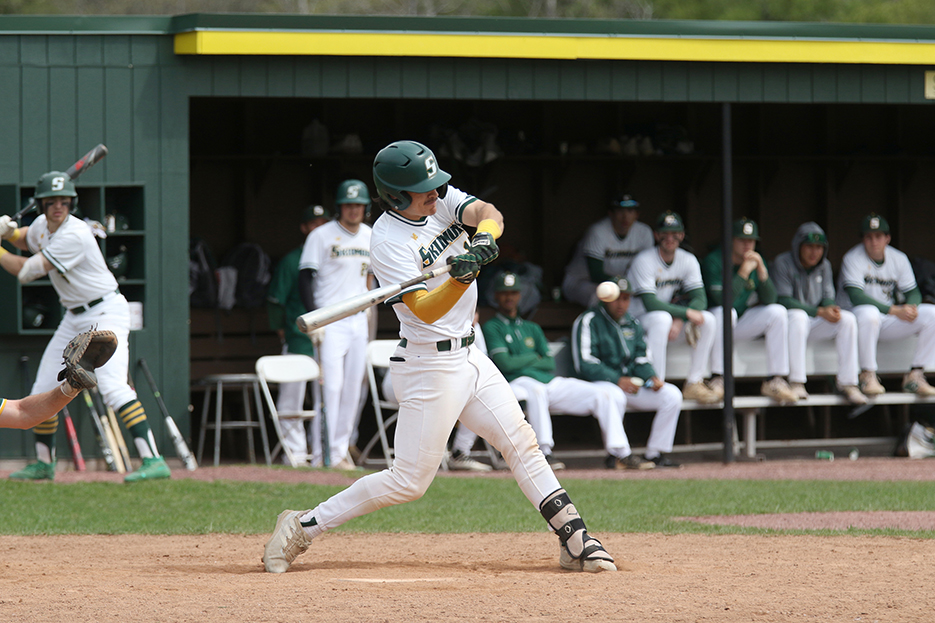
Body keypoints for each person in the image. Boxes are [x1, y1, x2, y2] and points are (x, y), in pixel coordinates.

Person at [262, 140, 616, 575]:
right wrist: (461, 276)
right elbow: (426, 310)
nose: (434, 193)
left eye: (435, 185)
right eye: (423, 189)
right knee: (408, 482)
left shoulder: (440, 199)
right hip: (430, 365)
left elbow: (490, 213)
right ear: (395, 195)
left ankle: (575, 536)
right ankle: (302, 525)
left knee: (520, 440)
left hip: (471, 352)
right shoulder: (387, 242)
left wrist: (483, 239)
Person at [0, 172, 170, 482]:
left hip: (105, 310)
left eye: (64, 202)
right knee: (43, 387)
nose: (58, 207)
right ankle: (44, 464)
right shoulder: (42, 225)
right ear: (41, 205)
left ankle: (153, 460)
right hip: (73, 315)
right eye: (51, 202)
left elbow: (25, 271)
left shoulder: (75, 234)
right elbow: (28, 238)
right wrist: (10, 233)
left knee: (113, 386)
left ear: (71, 204)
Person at [485, 271, 637, 470]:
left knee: (605, 393)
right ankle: (543, 451)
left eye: (513, 292)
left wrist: (525, 360)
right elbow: (505, 364)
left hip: (547, 381)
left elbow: (549, 363)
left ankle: (619, 453)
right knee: (536, 391)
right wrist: (534, 358)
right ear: (496, 296)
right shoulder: (492, 326)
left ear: (520, 295)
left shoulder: (532, 327)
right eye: (504, 293)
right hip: (516, 383)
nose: (509, 297)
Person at [298, 180, 373, 470]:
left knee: (354, 387)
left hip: (357, 318)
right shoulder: (321, 235)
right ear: (339, 207)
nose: (353, 210)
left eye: (358, 205)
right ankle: (322, 454)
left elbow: (371, 276)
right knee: (331, 387)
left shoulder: (370, 235)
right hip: (329, 319)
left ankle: (340, 453)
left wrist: (368, 308)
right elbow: (305, 277)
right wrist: (313, 318)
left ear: (365, 208)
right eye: (348, 204)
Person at [570, 277, 683, 469]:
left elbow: (641, 357)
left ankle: (655, 453)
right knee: (613, 395)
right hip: (598, 384)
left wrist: (651, 376)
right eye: (617, 298)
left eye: (626, 298)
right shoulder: (589, 320)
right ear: (606, 298)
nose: (621, 303)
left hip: (629, 384)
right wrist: (616, 379)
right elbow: (585, 364)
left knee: (671, 395)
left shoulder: (632, 322)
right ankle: (618, 455)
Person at [382, 310, 495, 473]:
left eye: (475, 311)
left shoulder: (472, 328)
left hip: (436, 383)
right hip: (404, 382)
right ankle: (417, 460)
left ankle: (459, 452)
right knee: (451, 392)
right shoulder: (437, 322)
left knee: (476, 391)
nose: (472, 316)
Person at [836, 213, 935, 396]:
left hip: (886, 320)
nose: (874, 241)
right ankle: (868, 375)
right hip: (855, 322)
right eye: (869, 237)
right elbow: (856, 296)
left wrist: (911, 307)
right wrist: (895, 310)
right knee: (869, 313)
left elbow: (913, 292)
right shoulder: (853, 258)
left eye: (878, 236)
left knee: (932, 314)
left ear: (887, 238)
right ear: (863, 239)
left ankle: (915, 375)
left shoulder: (898, 258)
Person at [701, 218, 798, 403]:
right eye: (742, 240)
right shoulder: (714, 260)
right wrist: (743, 273)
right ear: (731, 240)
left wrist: (762, 272)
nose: (748, 244)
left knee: (777, 312)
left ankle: (776, 379)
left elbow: (770, 299)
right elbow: (722, 300)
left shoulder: (755, 260)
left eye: (751, 240)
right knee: (726, 312)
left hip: (739, 323)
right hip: (715, 325)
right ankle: (718, 377)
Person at [626, 211, 720, 404]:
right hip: (636, 319)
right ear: (656, 235)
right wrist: (684, 313)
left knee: (708, 319)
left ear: (682, 235)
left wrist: (680, 319)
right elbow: (650, 304)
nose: (670, 238)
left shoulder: (687, 259)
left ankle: (694, 382)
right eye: (664, 233)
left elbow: (700, 299)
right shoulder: (644, 260)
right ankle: (656, 381)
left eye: (675, 233)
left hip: (666, 321)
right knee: (662, 318)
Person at [772, 222, 868, 405]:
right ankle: (797, 382)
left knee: (847, 319)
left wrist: (831, 308)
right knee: (798, 316)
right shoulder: (783, 262)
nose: (814, 252)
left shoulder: (824, 266)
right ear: (798, 246)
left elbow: (827, 296)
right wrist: (819, 311)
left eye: (818, 247)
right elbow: (783, 300)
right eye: (809, 247)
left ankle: (849, 383)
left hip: (814, 321)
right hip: (788, 324)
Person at [266, 204, 331, 465]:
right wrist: (283, 331)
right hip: (298, 339)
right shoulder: (293, 260)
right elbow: (275, 301)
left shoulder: (333, 257)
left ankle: (322, 454)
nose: (318, 228)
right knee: (292, 400)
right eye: (313, 224)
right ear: (304, 228)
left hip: (331, 340)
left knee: (327, 401)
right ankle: (294, 453)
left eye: (322, 223)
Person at [561, 193, 653, 308]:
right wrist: (625, 285)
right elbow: (595, 274)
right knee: (602, 296)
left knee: (636, 299)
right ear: (611, 213)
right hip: (581, 282)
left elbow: (647, 268)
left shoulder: (644, 232)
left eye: (630, 211)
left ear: (637, 214)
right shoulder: (598, 231)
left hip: (620, 284)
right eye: (620, 211)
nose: (625, 216)